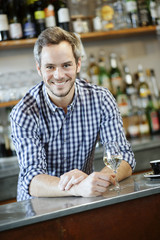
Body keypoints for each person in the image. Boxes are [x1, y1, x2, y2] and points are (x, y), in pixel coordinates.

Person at [10, 27, 136, 202]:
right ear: (39, 69)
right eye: (50, 67)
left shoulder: (100, 99)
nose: (59, 75)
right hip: (38, 208)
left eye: (66, 65)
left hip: (84, 200)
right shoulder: (24, 112)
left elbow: (124, 158)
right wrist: (78, 187)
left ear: (78, 64)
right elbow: (32, 179)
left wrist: (96, 181)